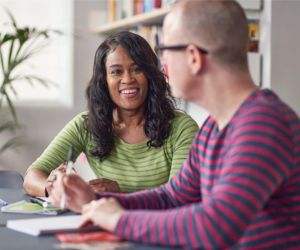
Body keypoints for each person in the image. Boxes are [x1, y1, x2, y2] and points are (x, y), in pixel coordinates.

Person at [50, 1, 300, 249]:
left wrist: (118, 219)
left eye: (165, 49)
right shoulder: (215, 127)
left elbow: (213, 227)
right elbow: (171, 197)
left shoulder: (262, 124)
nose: (161, 64)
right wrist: (94, 200)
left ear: (193, 57)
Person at [23, 31, 198, 197]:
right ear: (104, 81)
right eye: (116, 72)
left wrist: (120, 193)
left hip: (159, 227)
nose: (128, 79)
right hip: (104, 222)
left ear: (150, 75)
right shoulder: (86, 125)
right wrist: (54, 188)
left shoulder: (181, 128)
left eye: (137, 69)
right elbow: (32, 177)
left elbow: (179, 198)